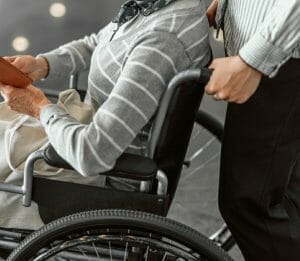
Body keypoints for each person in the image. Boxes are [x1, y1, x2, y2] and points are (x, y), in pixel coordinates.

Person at [0, 0, 211, 229]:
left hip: (92, 181)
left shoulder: (161, 41)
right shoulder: (155, 6)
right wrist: (43, 64)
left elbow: (92, 153)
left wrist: (38, 107)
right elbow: (100, 42)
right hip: (78, 136)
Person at [206, 0, 300, 260]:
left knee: (251, 205)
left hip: (281, 56)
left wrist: (253, 61)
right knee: (286, 197)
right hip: (276, 48)